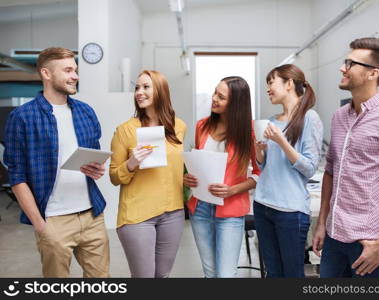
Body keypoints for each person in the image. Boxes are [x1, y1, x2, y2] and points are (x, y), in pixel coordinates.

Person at [312, 37, 379, 278]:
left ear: (373, 73)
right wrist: (322, 223)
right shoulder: (339, 116)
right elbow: (331, 170)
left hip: (367, 242)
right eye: (345, 62)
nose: (343, 68)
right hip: (334, 235)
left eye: (351, 63)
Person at [4, 47, 109, 278]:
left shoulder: (86, 112)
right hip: (53, 219)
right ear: (47, 74)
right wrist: (41, 226)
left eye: (76, 70)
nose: (75, 76)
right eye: (68, 70)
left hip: (92, 215)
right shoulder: (22, 117)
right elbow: (17, 176)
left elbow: (93, 157)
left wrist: (96, 168)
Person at [109, 70, 186, 278]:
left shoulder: (178, 126)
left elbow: (176, 167)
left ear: (160, 91)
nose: (139, 93)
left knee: (162, 276)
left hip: (173, 213)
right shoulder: (124, 131)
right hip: (137, 216)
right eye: (137, 88)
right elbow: (114, 177)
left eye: (145, 87)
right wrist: (132, 163)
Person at [184, 76, 260, 278]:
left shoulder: (249, 131)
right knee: (210, 274)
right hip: (199, 207)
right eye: (214, 93)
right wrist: (188, 178)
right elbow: (197, 162)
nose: (214, 98)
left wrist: (233, 189)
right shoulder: (202, 126)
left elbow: (260, 173)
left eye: (221, 96)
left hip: (230, 211)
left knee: (225, 275)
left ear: (235, 104)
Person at [253, 64, 323, 278]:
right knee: (273, 273)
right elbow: (266, 167)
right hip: (263, 204)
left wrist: (282, 142)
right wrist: (259, 152)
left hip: (290, 211)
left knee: (292, 274)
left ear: (289, 84)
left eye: (271, 81)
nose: (268, 88)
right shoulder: (272, 121)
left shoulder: (310, 118)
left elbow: (309, 168)